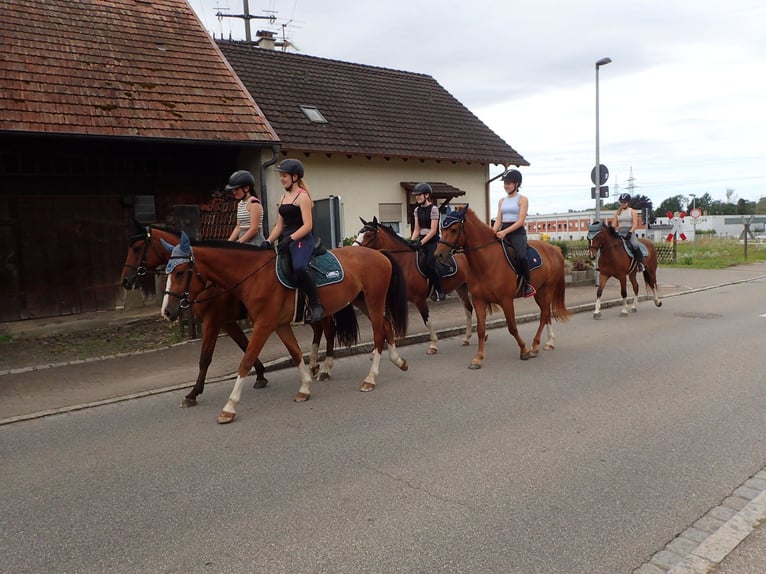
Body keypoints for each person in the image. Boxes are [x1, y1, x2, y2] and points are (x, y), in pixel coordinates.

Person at [263, 159, 323, 323]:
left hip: (302, 239)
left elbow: (308, 225)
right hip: (287, 239)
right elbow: (279, 226)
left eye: (284, 176)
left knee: (299, 267)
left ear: (295, 176)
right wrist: (268, 241)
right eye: (280, 176)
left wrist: (290, 239)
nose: (281, 179)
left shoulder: (302, 196)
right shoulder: (283, 197)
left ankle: (316, 305)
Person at [492, 169, 536, 298]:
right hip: (503, 230)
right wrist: (493, 232)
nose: (506, 186)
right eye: (505, 183)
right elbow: (499, 219)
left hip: (517, 233)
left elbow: (521, 221)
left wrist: (504, 232)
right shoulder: (501, 200)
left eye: (509, 183)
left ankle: (528, 284)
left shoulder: (522, 199)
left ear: (517, 184)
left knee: (521, 256)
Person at [409, 182, 446, 301]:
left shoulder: (434, 209)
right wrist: (411, 241)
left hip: (432, 241)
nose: (417, 197)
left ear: (427, 195)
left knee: (430, 264)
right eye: (416, 195)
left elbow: (433, 230)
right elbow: (417, 229)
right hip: (422, 240)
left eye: (419, 195)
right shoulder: (416, 210)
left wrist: (421, 243)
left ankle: (439, 290)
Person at [225, 169, 265, 246]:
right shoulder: (240, 203)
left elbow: (254, 229)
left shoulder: (254, 203)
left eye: (236, 189)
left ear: (246, 188)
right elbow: (238, 227)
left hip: (254, 242)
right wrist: (228, 243)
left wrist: (239, 242)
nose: (234, 192)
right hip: (243, 241)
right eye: (233, 190)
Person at [611, 193, 645, 272]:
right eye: (621, 202)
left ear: (628, 202)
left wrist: (630, 232)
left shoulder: (632, 211)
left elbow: (635, 223)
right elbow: (614, 224)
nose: (623, 203)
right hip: (620, 232)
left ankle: (640, 264)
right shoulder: (618, 212)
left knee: (635, 245)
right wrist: (612, 231)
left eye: (624, 202)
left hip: (630, 231)